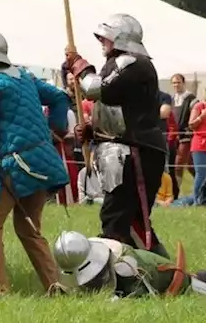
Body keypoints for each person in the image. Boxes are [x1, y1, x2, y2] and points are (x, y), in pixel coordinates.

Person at [0, 29, 69, 295]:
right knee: (29, 228)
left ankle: (0, 292)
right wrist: (56, 128)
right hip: (43, 160)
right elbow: (58, 97)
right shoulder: (25, 76)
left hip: (15, 163)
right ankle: (54, 284)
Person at [66, 14, 168, 255]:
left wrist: (80, 66)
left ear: (120, 39)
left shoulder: (132, 63)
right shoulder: (119, 63)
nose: (102, 41)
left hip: (136, 149)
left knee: (121, 219)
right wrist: (95, 131)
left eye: (106, 37)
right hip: (124, 148)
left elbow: (96, 89)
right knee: (127, 220)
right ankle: (157, 272)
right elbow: (120, 109)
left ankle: (132, 274)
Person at [53, 231, 206, 297]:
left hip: (179, 283)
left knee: (194, 285)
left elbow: (142, 300)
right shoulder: (87, 249)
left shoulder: (126, 268)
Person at [170, 73, 196, 196]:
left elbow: (194, 116)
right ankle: (202, 190)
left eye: (178, 82)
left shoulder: (191, 98)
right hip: (174, 137)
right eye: (174, 82)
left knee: (178, 165)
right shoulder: (171, 99)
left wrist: (189, 130)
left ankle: (175, 194)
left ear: (183, 83)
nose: (176, 85)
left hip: (187, 136)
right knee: (191, 167)